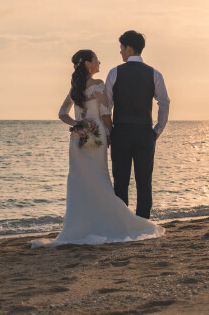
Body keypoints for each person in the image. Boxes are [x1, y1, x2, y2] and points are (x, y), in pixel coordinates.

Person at [31, 49, 163, 248]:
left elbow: (62, 113)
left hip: (78, 138)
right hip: (96, 136)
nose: (99, 62)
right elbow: (105, 114)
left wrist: (78, 125)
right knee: (100, 179)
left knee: (81, 181)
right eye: (96, 60)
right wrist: (110, 133)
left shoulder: (75, 88)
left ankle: (82, 225)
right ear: (87, 64)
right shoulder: (98, 84)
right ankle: (112, 221)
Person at [105, 30, 170, 219]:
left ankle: (122, 222)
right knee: (144, 182)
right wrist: (157, 130)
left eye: (121, 48)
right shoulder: (154, 74)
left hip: (121, 132)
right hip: (144, 132)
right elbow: (164, 103)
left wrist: (110, 131)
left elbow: (106, 107)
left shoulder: (114, 72)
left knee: (120, 182)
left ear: (129, 48)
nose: (120, 52)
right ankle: (143, 222)